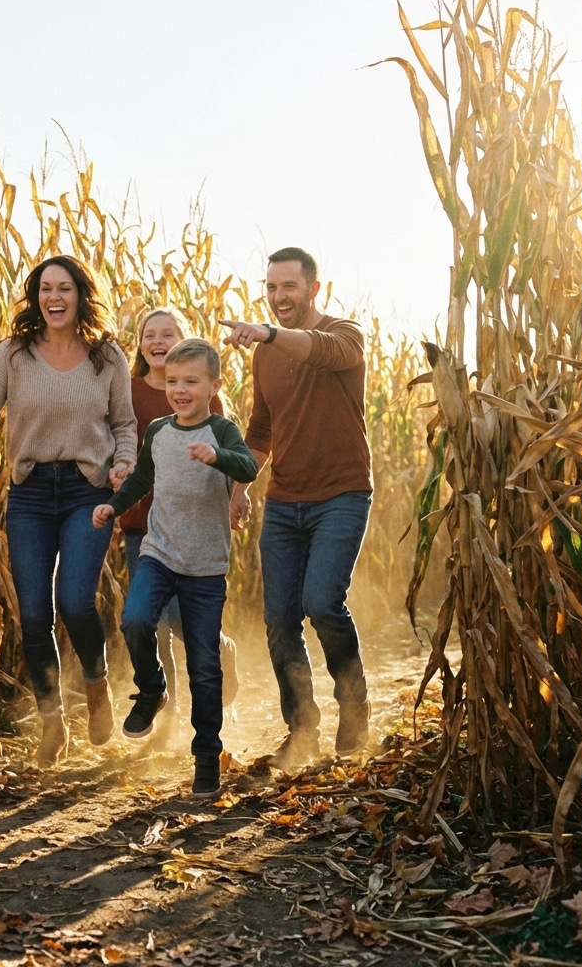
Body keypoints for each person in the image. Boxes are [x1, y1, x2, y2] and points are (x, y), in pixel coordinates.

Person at [0, 254, 137, 769]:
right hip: (29, 492)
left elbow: (125, 424)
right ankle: (52, 723)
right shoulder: (15, 354)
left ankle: (96, 687)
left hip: (86, 489)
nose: (54, 298)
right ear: (35, 296)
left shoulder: (106, 356)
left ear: (80, 295)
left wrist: (125, 463)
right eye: (45, 289)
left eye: (64, 288)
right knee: (31, 613)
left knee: (74, 600)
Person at [221, 246, 373, 770]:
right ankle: (301, 729)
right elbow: (262, 428)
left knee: (323, 602)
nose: (278, 297)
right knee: (281, 618)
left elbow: (324, 352)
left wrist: (266, 333)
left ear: (314, 288)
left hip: (342, 495)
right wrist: (241, 483)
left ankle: (355, 710)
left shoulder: (345, 334)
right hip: (285, 501)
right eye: (271, 287)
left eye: (288, 286)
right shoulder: (266, 354)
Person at [93, 338, 258, 797]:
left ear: (213, 386)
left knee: (205, 664)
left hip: (205, 565)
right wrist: (113, 507)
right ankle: (152, 690)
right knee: (136, 619)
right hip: (159, 551)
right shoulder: (159, 432)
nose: (180, 390)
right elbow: (143, 479)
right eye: (173, 382)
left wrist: (217, 457)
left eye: (191, 382)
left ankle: (207, 755)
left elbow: (248, 468)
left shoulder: (222, 431)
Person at [121, 308, 240, 741]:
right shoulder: (129, 391)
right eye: (148, 334)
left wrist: (237, 497)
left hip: (195, 526)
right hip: (144, 522)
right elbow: (114, 436)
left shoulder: (204, 396)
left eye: (167, 334)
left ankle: (220, 650)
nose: (157, 341)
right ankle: (165, 714)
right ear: (139, 344)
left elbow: (230, 452)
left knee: (181, 620)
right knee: (150, 621)